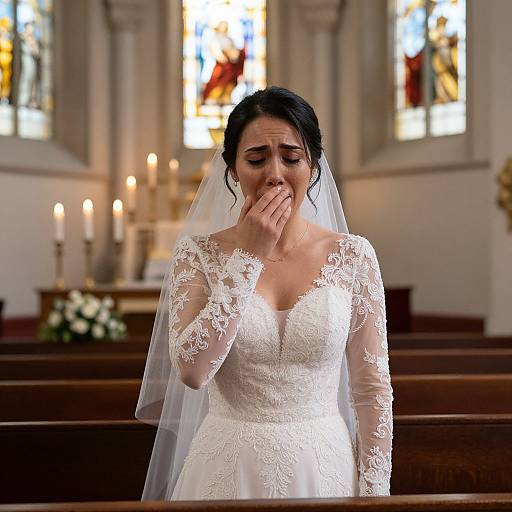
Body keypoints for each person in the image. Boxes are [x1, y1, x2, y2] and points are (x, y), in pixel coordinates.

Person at [135, 86, 394, 500]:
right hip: (225, 467)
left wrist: (375, 492)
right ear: (233, 170)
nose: (275, 173)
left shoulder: (353, 255)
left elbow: (371, 388)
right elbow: (193, 371)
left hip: (323, 466)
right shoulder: (197, 254)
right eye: (256, 159)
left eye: (291, 158)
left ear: (313, 166)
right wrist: (248, 257)